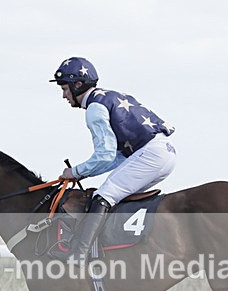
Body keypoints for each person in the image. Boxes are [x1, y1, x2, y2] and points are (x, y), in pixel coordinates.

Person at [49, 56, 176, 261]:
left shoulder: (94, 109)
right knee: (116, 197)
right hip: (165, 153)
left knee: (103, 196)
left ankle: (78, 254)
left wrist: (75, 172)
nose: (64, 96)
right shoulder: (110, 96)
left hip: (150, 154)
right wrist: (82, 175)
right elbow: (117, 158)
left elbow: (105, 155)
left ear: (78, 85)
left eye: (64, 89)